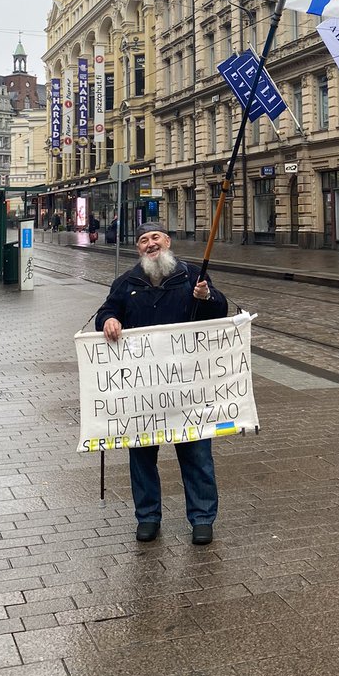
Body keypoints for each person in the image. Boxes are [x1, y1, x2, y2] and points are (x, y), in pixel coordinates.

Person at [94, 223, 229, 546]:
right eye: (143, 240)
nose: (150, 244)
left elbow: (219, 310)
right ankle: (148, 517)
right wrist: (109, 320)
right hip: (144, 392)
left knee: (196, 453)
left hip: (187, 386)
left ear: (167, 242)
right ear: (138, 248)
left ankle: (202, 518)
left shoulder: (192, 276)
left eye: (155, 238)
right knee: (141, 456)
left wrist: (207, 296)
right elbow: (107, 311)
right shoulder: (126, 282)